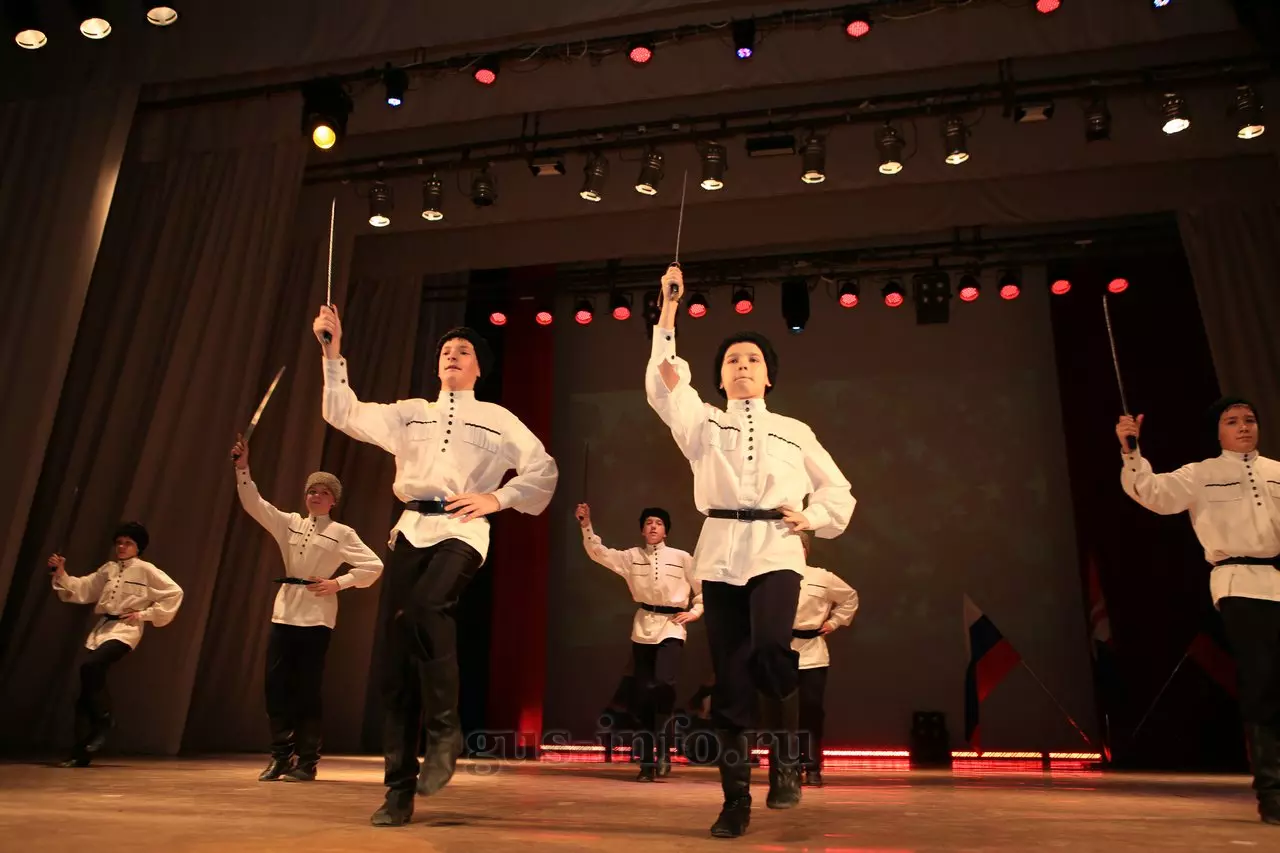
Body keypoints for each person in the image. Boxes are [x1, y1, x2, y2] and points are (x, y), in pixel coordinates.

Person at [313, 306, 558, 827]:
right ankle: (398, 790)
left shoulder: (498, 419)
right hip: (411, 530)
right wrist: (332, 353)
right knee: (397, 664)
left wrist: (497, 498)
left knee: (428, 606)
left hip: (463, 529)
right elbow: (344, 412)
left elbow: (542, 470)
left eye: (463, 351)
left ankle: (446, 730)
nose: (452, 356)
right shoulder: (411, 412)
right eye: (446, 350)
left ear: (479, 367)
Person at [645, 265, 855, 838]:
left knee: (769, 649)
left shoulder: (794, 430)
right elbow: (665, 385)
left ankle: (785, 763)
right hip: (719, 552)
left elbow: (838, 489)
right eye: (732, 360)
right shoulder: (703, 425)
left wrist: (812, 517)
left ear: (769, 376)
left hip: (776, 548)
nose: (742, 365)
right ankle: (734, 799)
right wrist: (668, 311)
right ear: (718, 376)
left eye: (753, 360)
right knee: (732, 680)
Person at [1117, 397, 1280, 826]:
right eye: (1232, 421)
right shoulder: (1202, 474)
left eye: (1249, 419)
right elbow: (1152, 492)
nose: (1243, 427)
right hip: (1240, 583)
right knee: (1262, 679)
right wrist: (1132, 451)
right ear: (1218, 432)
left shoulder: (1277, 471)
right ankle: (1273, 793)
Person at [230, 435, 384, 782]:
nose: (315, 496)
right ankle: (281, 756)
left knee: (306, 689)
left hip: (316, 618)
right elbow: (255, 503)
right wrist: (243, 469)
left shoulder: (342, 532)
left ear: (333, 501)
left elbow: (373, 566)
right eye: (311, 491)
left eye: (323, 492)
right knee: (275, 686)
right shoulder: (290, 522)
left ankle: (308, 760)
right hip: (285, 612)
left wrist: (338, 583)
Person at [575, 501, 702, 780]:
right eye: (648, 523)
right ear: (643, 530)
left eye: (658, 523)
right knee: (643, 693)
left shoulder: (682, 557)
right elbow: (598, 553)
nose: (653, 527)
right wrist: (586, 526)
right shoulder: (631, 557)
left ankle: (664, 749)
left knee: (664, 685)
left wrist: (695, 612)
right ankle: (647, 761)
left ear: (666, 531)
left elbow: (701, 590)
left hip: (671, 627)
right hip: (643, 626)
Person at [47, 523, 183, 767]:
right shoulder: (108, 569)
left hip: (126, 630)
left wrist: (145, 614)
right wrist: (61, 573)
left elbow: (174, 592)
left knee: (91, 666)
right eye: (119, 542)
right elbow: (84, 588)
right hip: (103, 628)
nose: (122, 547)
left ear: (138, 547)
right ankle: (81, 752)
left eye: (128, 543)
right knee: (86, 691)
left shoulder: (146, 570)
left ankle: (104, 720)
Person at [791, 531, 859, 787]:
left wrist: (834, 622)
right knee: (783, 713)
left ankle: (811, 765)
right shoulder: (772, 579)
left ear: (805, 550)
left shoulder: (822, 577)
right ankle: (787, 766)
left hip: (812, 654)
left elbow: (849, 597)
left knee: (811, 710)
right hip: (780, 652)